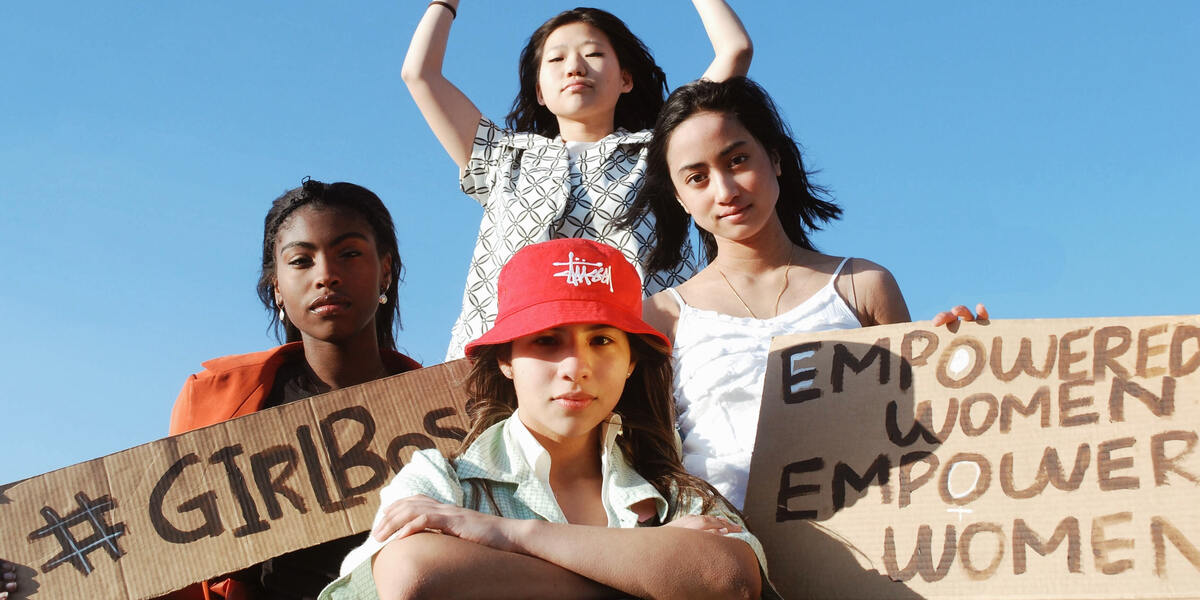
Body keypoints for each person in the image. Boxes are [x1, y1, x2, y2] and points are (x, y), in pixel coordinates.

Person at [320, 238, 776, 599]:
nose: (575, 366)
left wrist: (504, 533)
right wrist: (649, 574)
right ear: (505, 360)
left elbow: (731, 578)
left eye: (601, 341)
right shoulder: (442, 483)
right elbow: (414, 576)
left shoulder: (671, 492)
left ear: (631, 361)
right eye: (546, 341)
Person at [621, 77, 987, 509]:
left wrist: (967, 360)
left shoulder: (863, 286)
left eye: (737, 160)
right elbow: (650, 459)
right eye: (697, 178)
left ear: (775, 158)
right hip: (726, 550)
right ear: (680, 198)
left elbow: (912, 425)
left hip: (864, 538)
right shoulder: (660, 316)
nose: (725, 190)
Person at [401, 1, 754, 359]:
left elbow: (735, 49)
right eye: (555, 60)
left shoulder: (663, 148)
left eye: (594, 53)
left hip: (639, 359)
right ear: (540, 90)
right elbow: (420, 74)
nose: (574, 67)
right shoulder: (501, 156)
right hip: (509, 364)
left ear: (625, 79)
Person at [165, 179, 422, 600]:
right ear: (277, 287)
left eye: (350, 254)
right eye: (302, 261)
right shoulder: (214, 400)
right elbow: (170, 563)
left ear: (386, 271)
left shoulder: (447, 411)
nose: (327, 276)